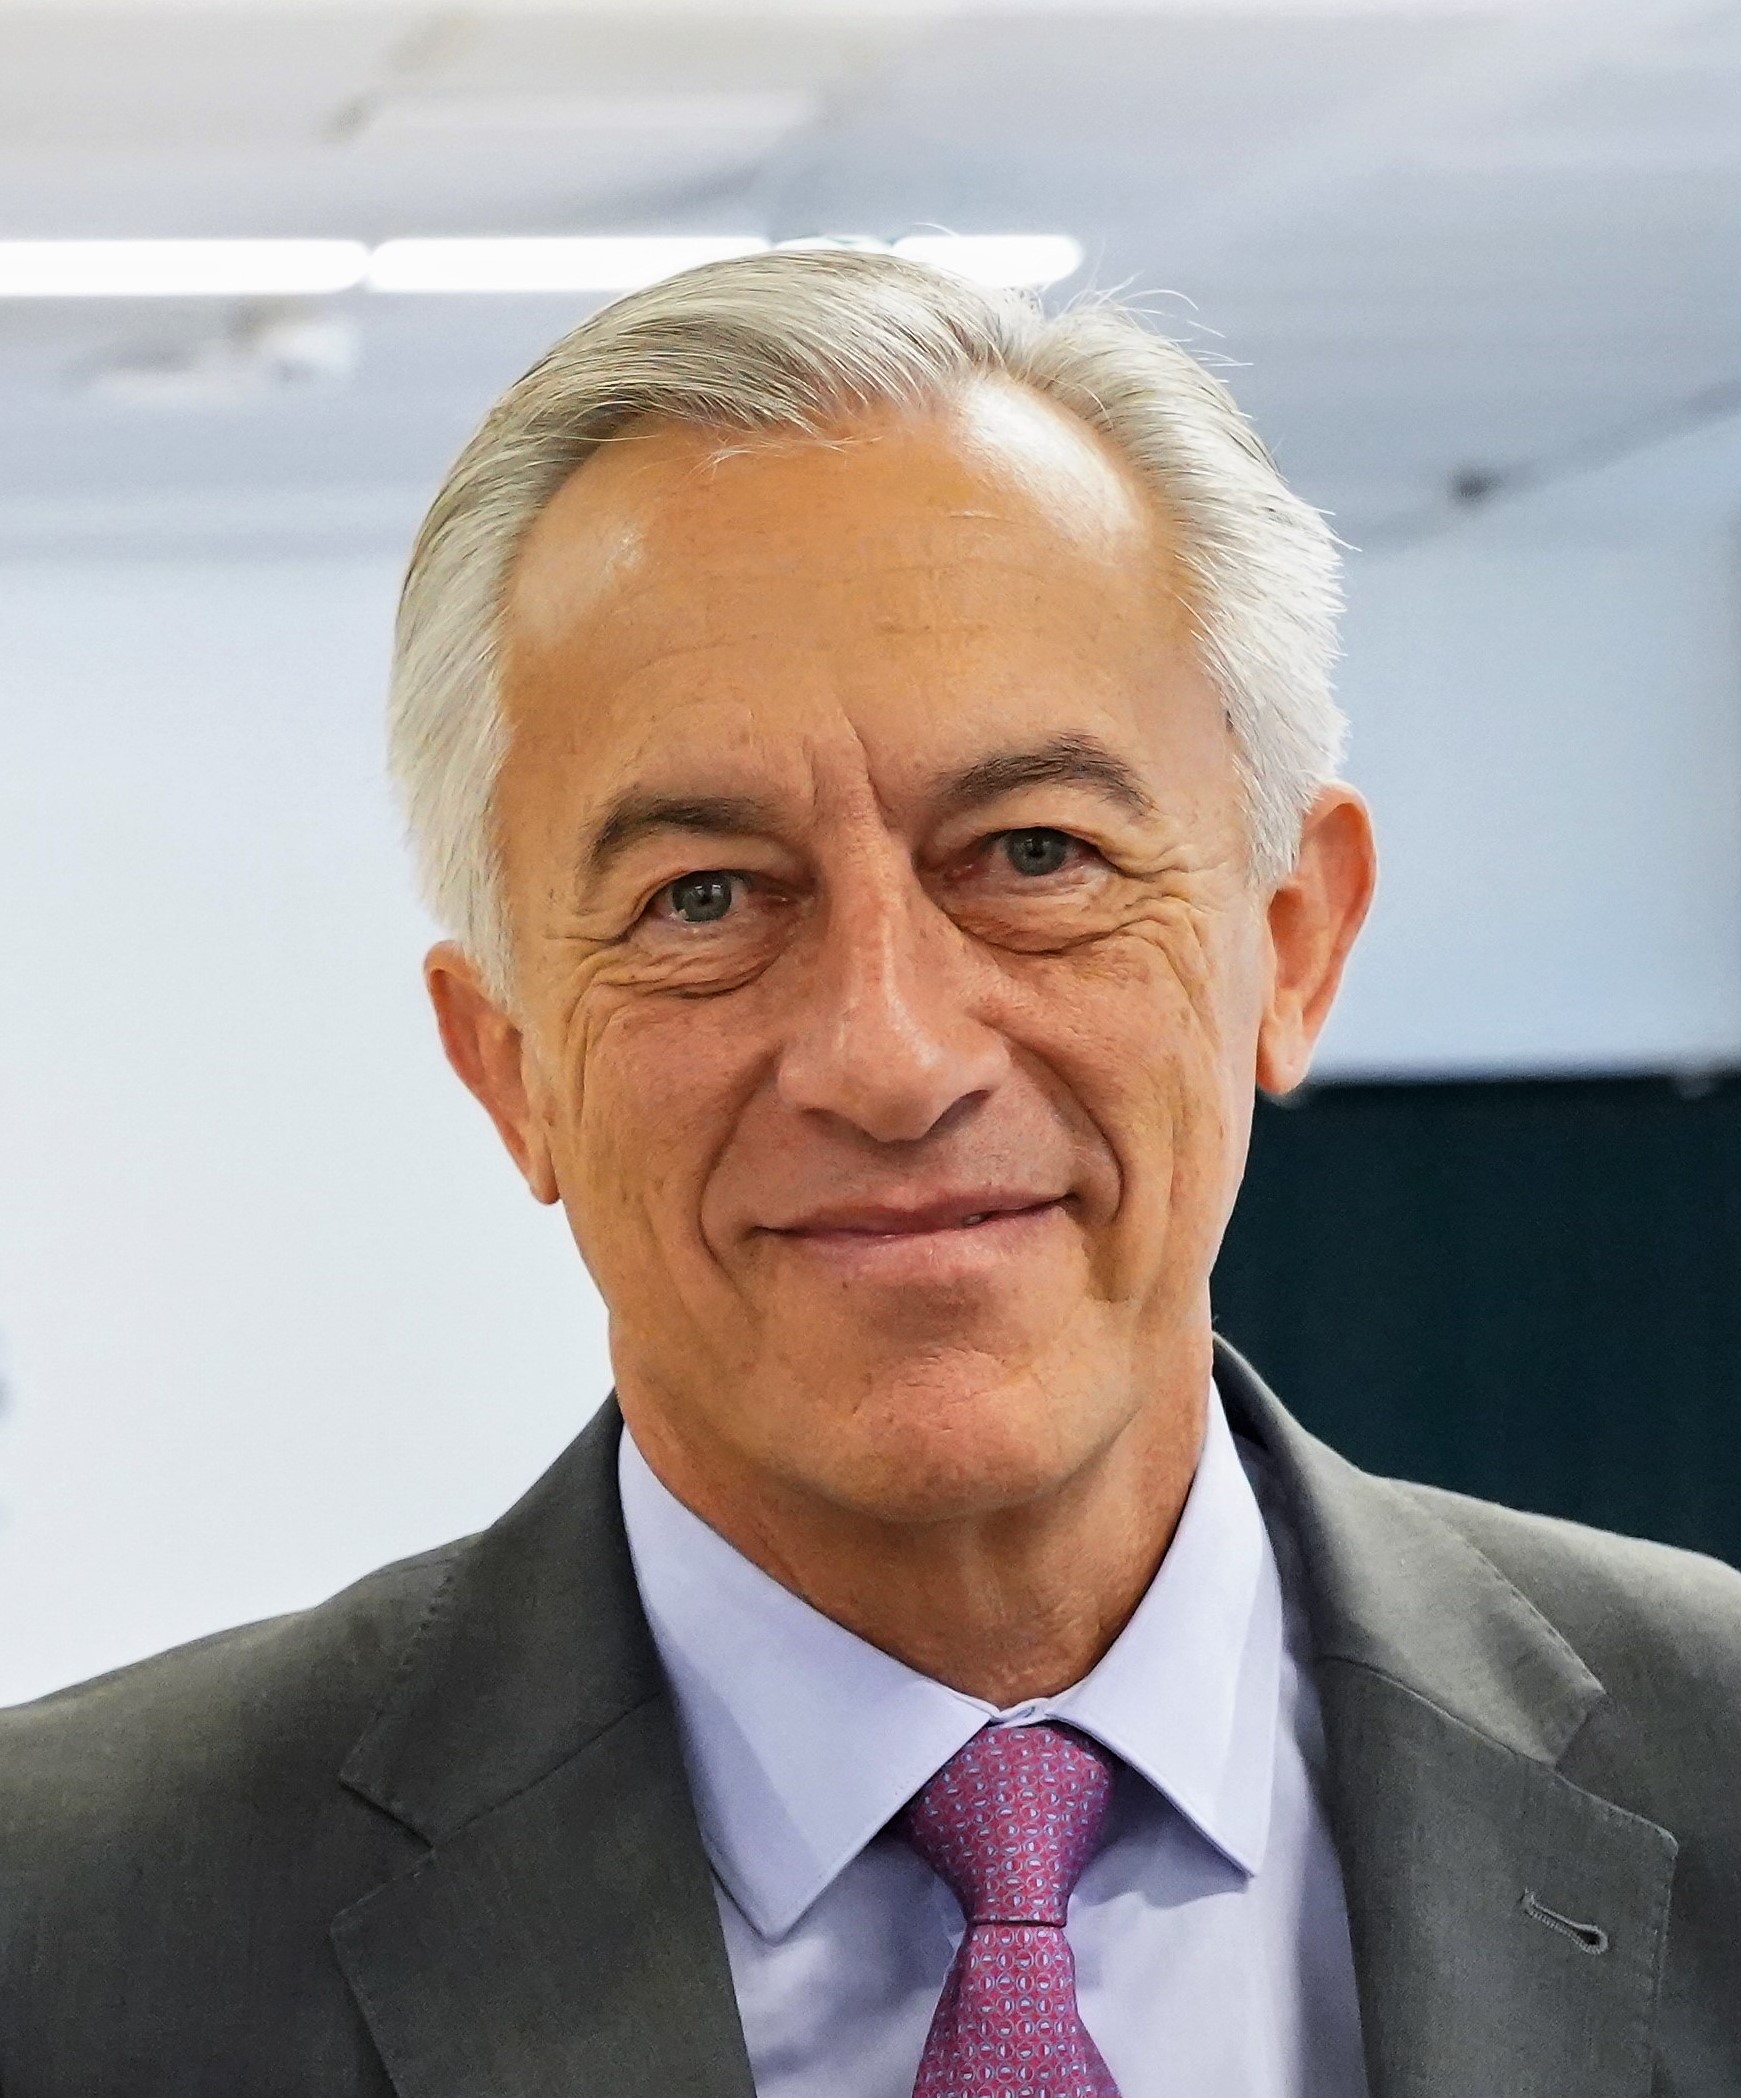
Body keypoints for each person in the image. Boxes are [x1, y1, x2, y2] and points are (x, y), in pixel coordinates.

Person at [2, 249, 1737, 2097]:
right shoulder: (71, 1938)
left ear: (1290, 945)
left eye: (1034, 852)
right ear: (508, 1063)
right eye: (703, 898)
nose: (893, 1058)